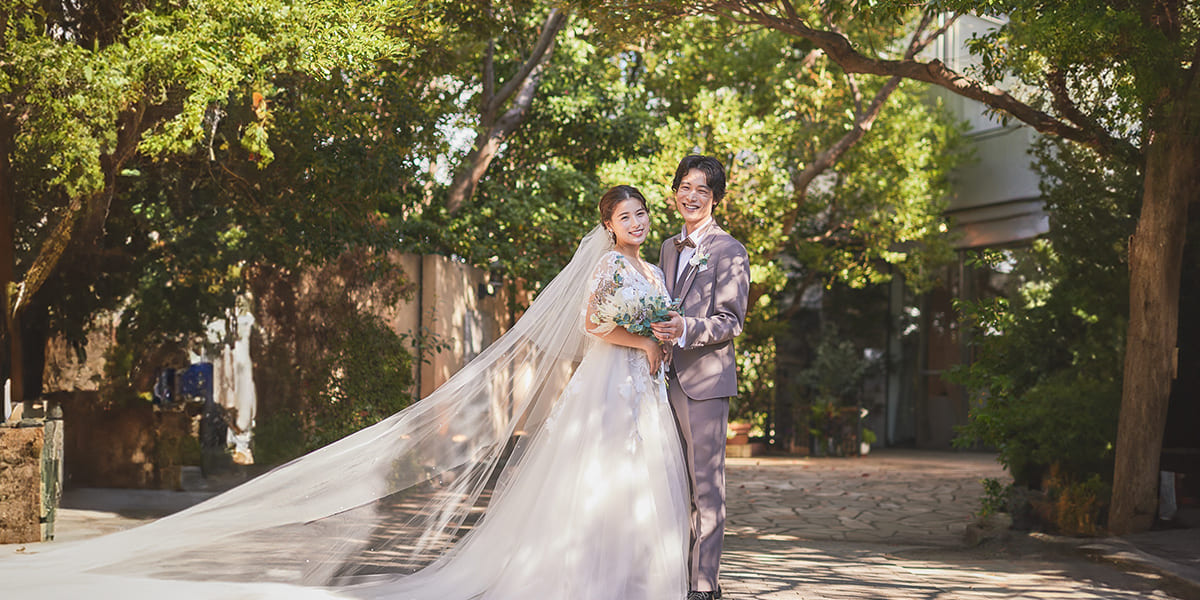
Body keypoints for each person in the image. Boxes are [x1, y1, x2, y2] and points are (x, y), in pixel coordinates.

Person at [0, 186, 689, 600]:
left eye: (640, 215)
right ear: (607, 225)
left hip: (644, 391)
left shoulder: (651, 272)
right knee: (593, 476)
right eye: (625, 216)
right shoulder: (606, 268)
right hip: (613, 384)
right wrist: (642, 341)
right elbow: (592, 325)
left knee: (637, 480)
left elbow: (658, 322)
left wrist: (664, 333)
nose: (635, 222)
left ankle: (637, 578)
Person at [652, 155, 751, 600]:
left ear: (715, 198)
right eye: (685, 187)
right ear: (675, 191)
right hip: (663, 380)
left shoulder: (730, 250)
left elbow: (731, 321)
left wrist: (685, 328)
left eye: (702, 190)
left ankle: (704, 586)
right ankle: (677, 575)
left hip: (706, 384)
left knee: (706, 486)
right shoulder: (667, 247)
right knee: (674, 483)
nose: (691, 196)